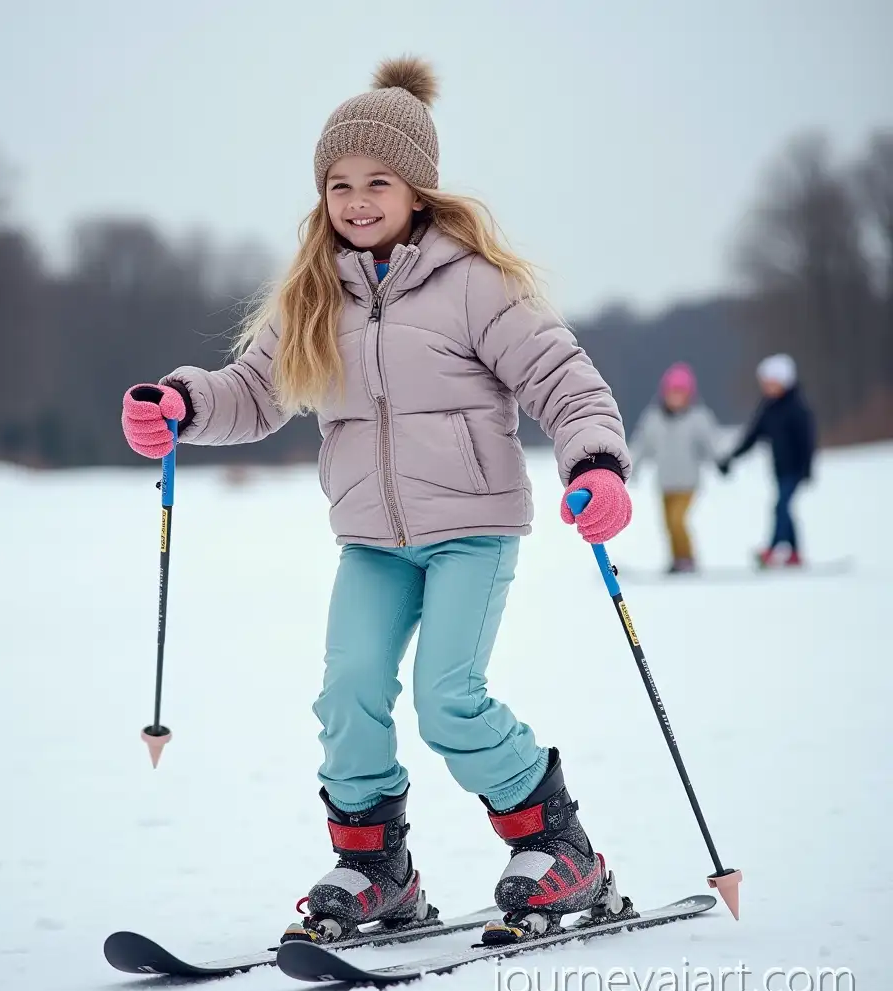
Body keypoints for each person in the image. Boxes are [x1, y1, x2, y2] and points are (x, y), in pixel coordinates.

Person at [119, 57, 634, 943]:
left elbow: (563, 379)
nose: (356, 201)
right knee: (349, 693)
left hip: (471, 528)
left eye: (377, 182)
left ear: (418, 189)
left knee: (448, 697)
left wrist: (596, 464)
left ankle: (558, 846)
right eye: (338, 185)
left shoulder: (477, 281)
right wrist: (186, 403)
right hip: (369, 538)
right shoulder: (316, 292)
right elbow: (255, 390)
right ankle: (374, 866)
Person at [718, 353, 815, 567]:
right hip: (779, 468)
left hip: (795, 469)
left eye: (771, 382)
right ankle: (794, 553)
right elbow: (752, 436)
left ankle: (772, 550)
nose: (766, 387)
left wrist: (807, 468)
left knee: (780, 507)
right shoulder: (768, 408)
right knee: (784, 508)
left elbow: (807, 441)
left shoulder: (796, 408)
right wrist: (732, 457)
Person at [629, 362, 722, 573]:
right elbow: (642, 446)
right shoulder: (653, 419)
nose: (676, 397)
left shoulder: (698, 418)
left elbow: (711, 444)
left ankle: (687, 559)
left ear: (689, 395)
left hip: (688, 483)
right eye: (673, 392)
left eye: (681, 393)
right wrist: (633, 469)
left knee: (678, 520)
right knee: (668, 525)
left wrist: (721, 461)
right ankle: (676, 560)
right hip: (665, 482)